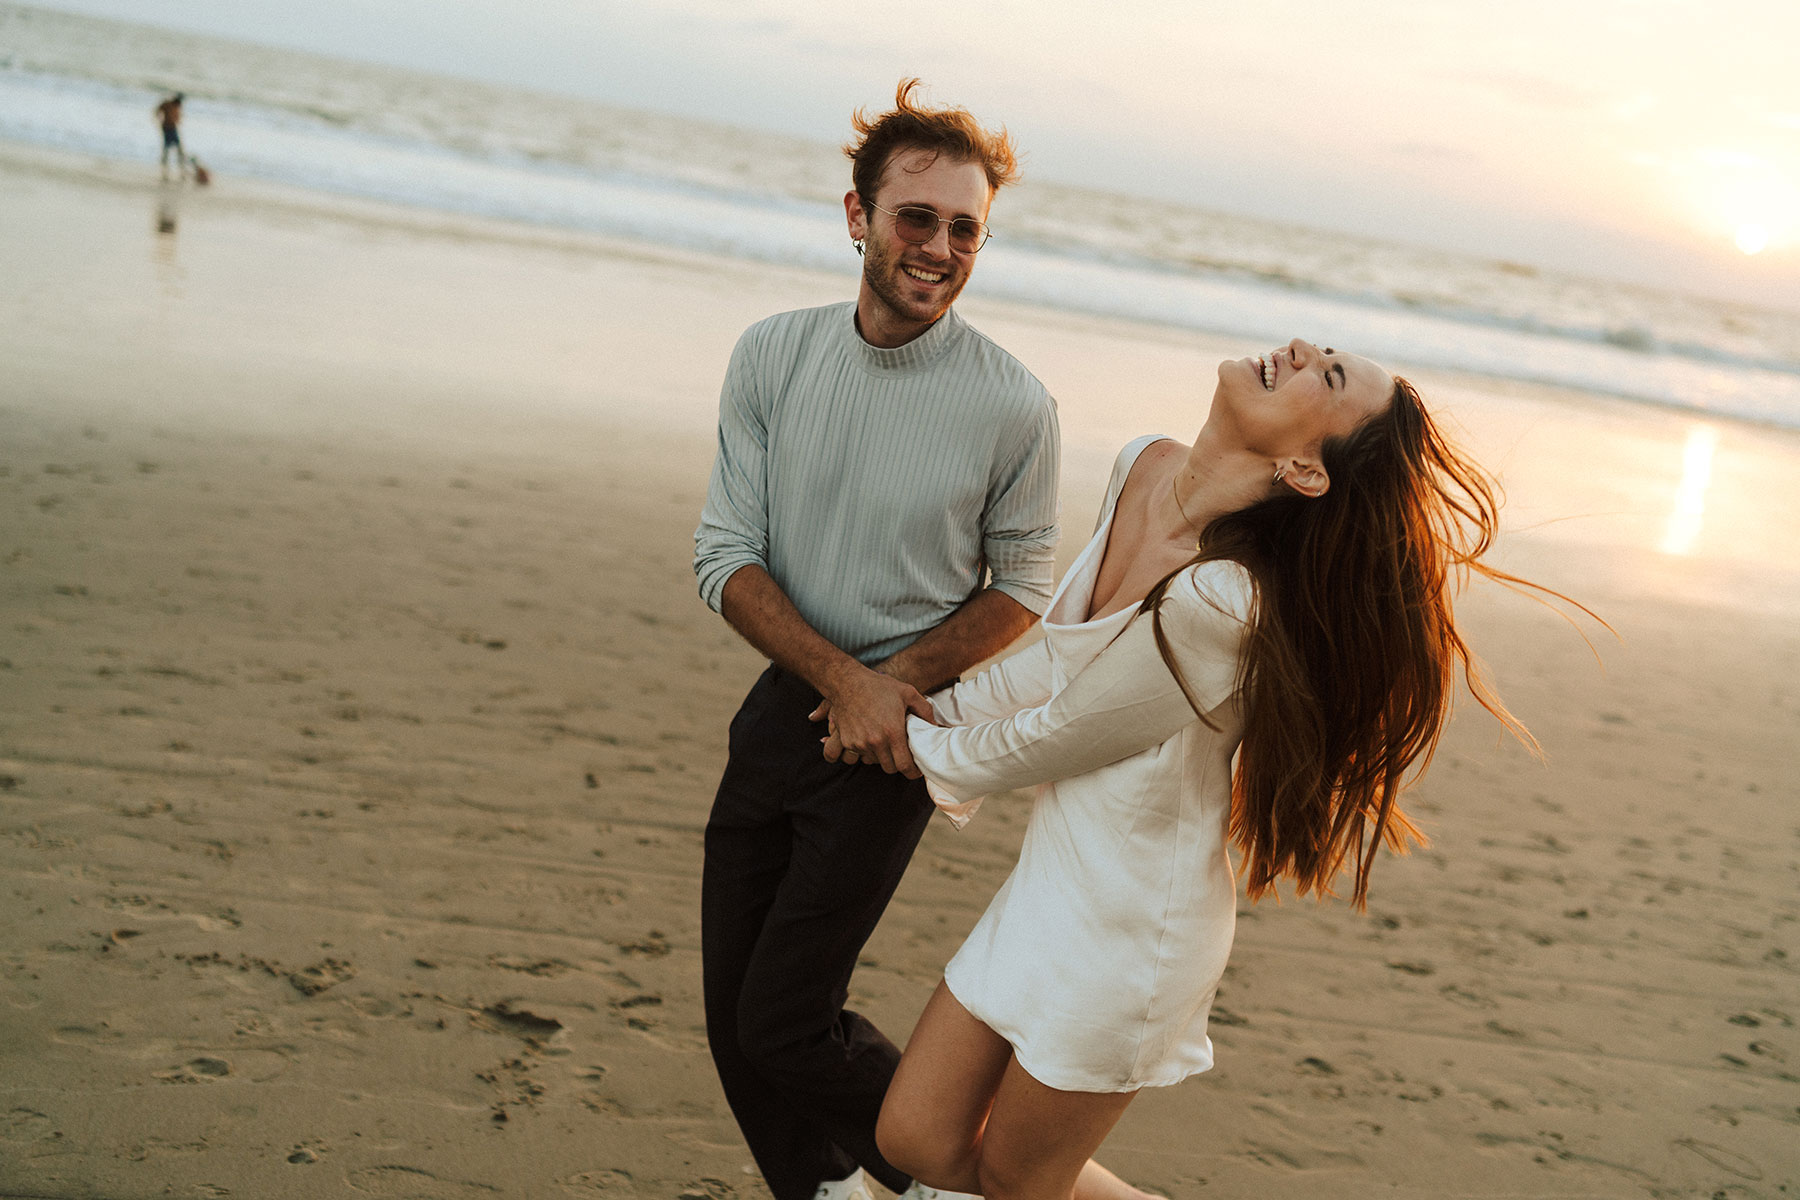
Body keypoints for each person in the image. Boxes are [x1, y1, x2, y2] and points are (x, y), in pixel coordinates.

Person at [877, 339, 1558, 1200]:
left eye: (1332, 377)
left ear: (1309, 472)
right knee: (915, 1135)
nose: (1306, 350)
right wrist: (915, 702)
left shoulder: (1221, 600)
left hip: (1128, 935)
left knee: (1018, 1183)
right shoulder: (1143, 469)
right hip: (1053, 885)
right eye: (1326, 351)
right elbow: (1058, 661)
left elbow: (1060, 733)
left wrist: (907, 739)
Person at [692, 79, 1060, 1200]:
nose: (940, 247)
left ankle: (977, 1179)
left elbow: (1027, 587)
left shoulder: (1015, 405)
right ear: (857, 216)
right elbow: (724, 558)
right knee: (734, 1024)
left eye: (966, 230)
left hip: (894, 747)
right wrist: (837, 681)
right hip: (782, 713)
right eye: (917, 217)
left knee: (786, 1023)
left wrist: (883, 691)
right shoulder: (773, 356)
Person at [154, 93, 186, 177]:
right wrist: (160, 120)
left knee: (177, 151)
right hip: (168, 129)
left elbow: (177, 118)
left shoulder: (176, 106)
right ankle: (165, 172)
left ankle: (181, 171)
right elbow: (157, 111)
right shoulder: (167, 104)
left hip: (172, 129)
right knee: (167, 150)